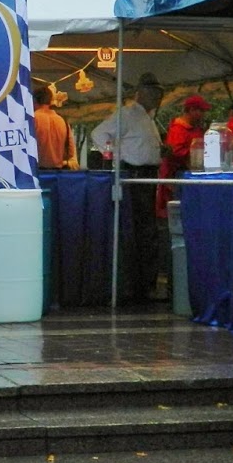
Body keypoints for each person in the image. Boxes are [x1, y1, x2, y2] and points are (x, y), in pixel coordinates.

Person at [90, 75, 164, 302]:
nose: (158, 98)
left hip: (148, 176)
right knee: (140, 230)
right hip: (134, 176)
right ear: (141, 93)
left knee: (147, 230)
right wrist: (115, 156)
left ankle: (145, 283)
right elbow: (99, 133)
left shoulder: (149, 118)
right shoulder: (128, 114)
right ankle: (138, 284)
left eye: (159, 94)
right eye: (153, 93)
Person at [156, 94, 209, 219]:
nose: (203, 114)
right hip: (179, 176)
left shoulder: (195, 128)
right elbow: (175, 152)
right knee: (181, 212)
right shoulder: (178, 129)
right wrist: (195, 154)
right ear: (191, 110)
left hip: (192, 175)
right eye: (201, 111)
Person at [32, 81, 74, 171]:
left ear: (34, 100)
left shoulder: (32, 119)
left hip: (36, 171)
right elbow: (70, 152)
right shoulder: (62, 120)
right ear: (50, 101)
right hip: (58, 173)